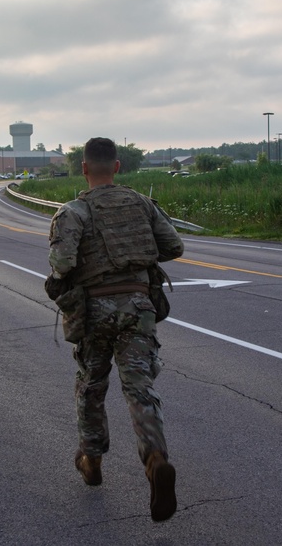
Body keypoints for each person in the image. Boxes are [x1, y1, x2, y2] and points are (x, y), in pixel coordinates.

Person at [47, 137, 185, 522]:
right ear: (118, 167)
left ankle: (91, 461)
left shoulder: (73, 211)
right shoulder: (141, 203)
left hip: (95, 311)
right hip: (139, 306)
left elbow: (61, 263)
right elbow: (173, 246)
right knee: (140, 386)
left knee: (92, 385)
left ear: (84, 168)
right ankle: (155, 458)